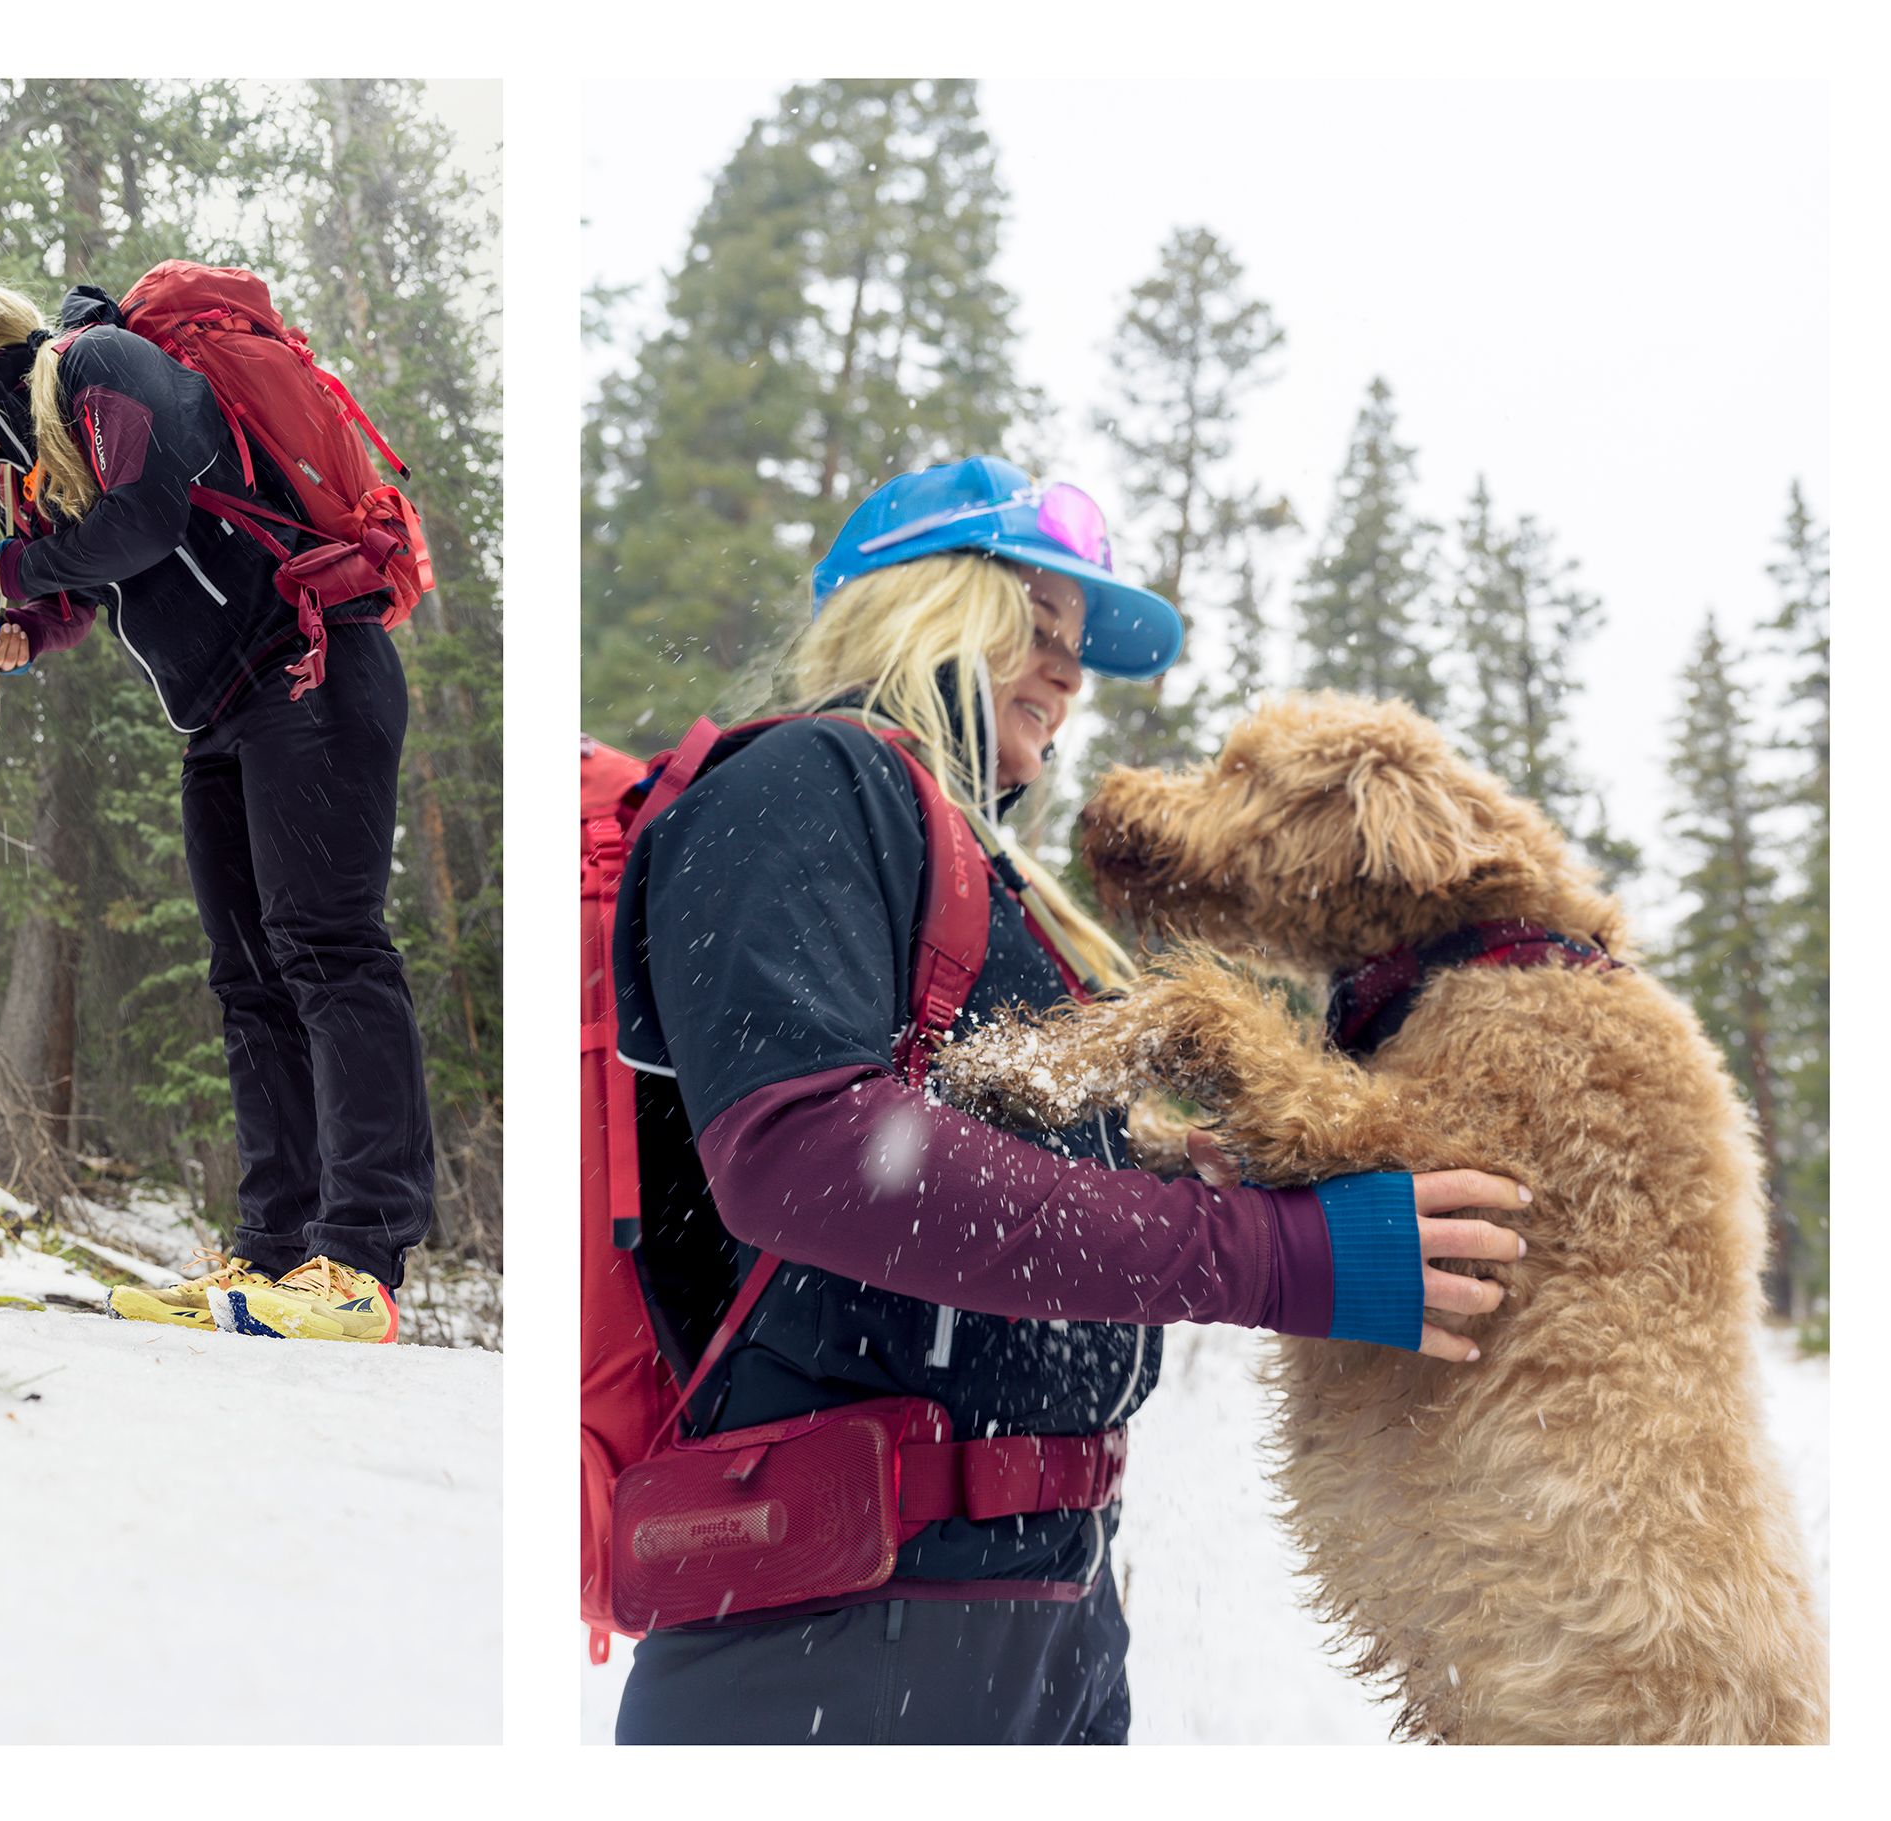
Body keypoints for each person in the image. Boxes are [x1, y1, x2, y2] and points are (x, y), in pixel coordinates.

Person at [600, 456, 1529, 1743]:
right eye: (1031, 627)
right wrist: (1264, 1258)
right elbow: (803, 1153)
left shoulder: (980, 874)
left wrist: (1227, 1182)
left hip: (1041, 1608)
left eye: (1076, 647)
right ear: (911, 608)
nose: (1067, 672)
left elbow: (984, 1161)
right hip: (832, 1621)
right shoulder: (801, 783)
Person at [0, 256, 429, 1342]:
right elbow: (93, 579)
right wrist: (36, 621)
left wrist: (26, 573)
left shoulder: (100, 367)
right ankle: (269, 1252)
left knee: (328, 948)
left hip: (312, 667)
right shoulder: (31, 466)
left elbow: (147, 519)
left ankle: (360, 1262)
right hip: (223, 711)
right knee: (249, 978)